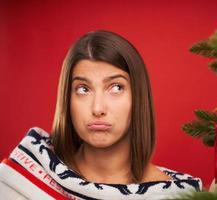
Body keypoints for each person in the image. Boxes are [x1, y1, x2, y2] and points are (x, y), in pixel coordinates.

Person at [0, 30, 202, 199]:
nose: (97, 108)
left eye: (116, 88)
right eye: (83, 89)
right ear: (67, 100)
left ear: (138, 97)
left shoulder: (177, 195)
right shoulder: (23, 176)